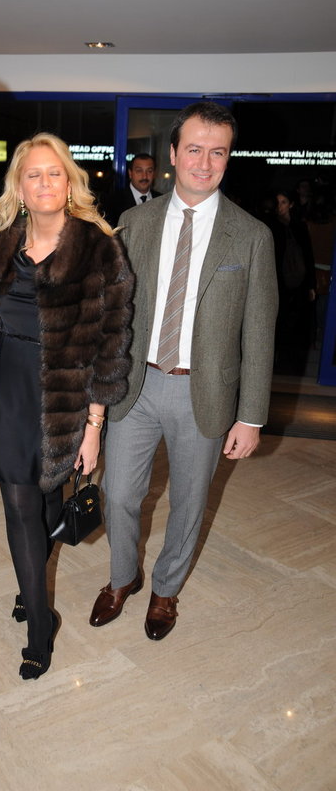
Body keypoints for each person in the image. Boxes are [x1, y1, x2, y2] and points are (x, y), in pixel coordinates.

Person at [90, 101, 278, 641]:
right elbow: (112, 312)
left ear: (228, 158)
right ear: (172, 154)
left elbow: (259, 332)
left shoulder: (251, 236)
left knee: (189, 503)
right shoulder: (134, 223)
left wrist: (252, 417)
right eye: (194, 149)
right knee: (118, 495)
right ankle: (122, 577)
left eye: (217, 152)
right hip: (136, 385)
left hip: (205, 392)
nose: (204, 162)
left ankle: (166, 590)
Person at [0, 133, 134, 679]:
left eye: (54, 173)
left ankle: (31, 583)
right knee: (19, 504)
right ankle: (39, 623)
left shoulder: (99, 247)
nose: (44, 183)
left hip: (67, 397)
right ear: (19, 188)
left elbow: (112, 343)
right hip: (9, 389)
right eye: (33, 175)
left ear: (69, 183)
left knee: (48, 500)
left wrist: (94, 425)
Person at [268, 190, 316, 374]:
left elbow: (308, 256)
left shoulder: (299, 227)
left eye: (284, 202)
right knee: (276, 323)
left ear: (291, 205)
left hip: (297, 284)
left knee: (294, 324)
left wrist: (311, 285)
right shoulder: (270, 226)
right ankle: (275, 362)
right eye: (277, 202)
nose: (280, 206)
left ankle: (287, 364)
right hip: (277, 283)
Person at [103, 153, 162, 226]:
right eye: (139, 171)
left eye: (149, 171)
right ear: (130, 173)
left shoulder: (162, 200)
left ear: (154, 174)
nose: (144, 176)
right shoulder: (113, 201)